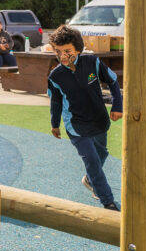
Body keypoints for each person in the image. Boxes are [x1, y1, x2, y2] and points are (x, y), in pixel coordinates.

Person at [47, 25, 123, 211]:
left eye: (67, 51)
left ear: (78, 50)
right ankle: (107, 201)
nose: (63, 56)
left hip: (99, 120)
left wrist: (117, 106)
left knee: (101, 153)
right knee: (92, 159)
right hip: (76, 125)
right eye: (58, 52)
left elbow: (112, 81)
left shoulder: (92, 63)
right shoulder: (55, 76)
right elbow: (55, 102)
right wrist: (55, 124)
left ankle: (90, 180)